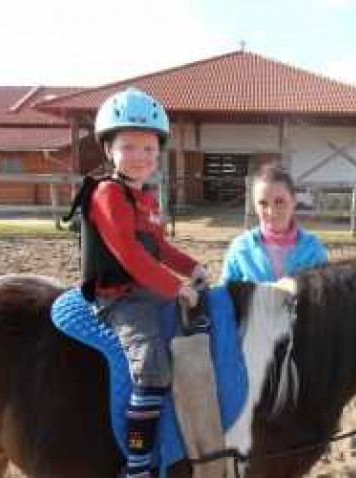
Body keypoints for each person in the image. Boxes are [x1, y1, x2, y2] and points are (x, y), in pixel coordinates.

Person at [82, 88, 206, 478]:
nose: (140, 157)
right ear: (109, 151)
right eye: (128, 146)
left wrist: (192, 267)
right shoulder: (108, 194)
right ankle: (137, 464)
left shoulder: (147, 198)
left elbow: (158, 248)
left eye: (149, 149)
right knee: (152, 365)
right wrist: (176, 287)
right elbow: (129, 255)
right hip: (120, 297)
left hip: (146, 287)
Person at [220, 166, 328, 283]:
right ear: (254, 206)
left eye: (279, 201)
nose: (272, 212)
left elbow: (325, 295)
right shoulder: (241, 248)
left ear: (293, 201)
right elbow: (224, 294)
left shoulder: (313, 248)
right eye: (263, 203)